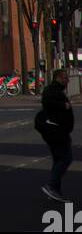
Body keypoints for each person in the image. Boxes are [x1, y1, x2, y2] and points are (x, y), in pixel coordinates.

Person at [36, 68, 74, 203]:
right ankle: (51, 186)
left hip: (57, 132)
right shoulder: (52, 90)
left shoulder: (55, 90)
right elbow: (48, 101)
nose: (68, 80)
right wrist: (64, 105)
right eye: (65, 78)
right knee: (66, 158)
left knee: (59, 159)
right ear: (58, 78)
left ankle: (55, 191)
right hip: (56, 132)